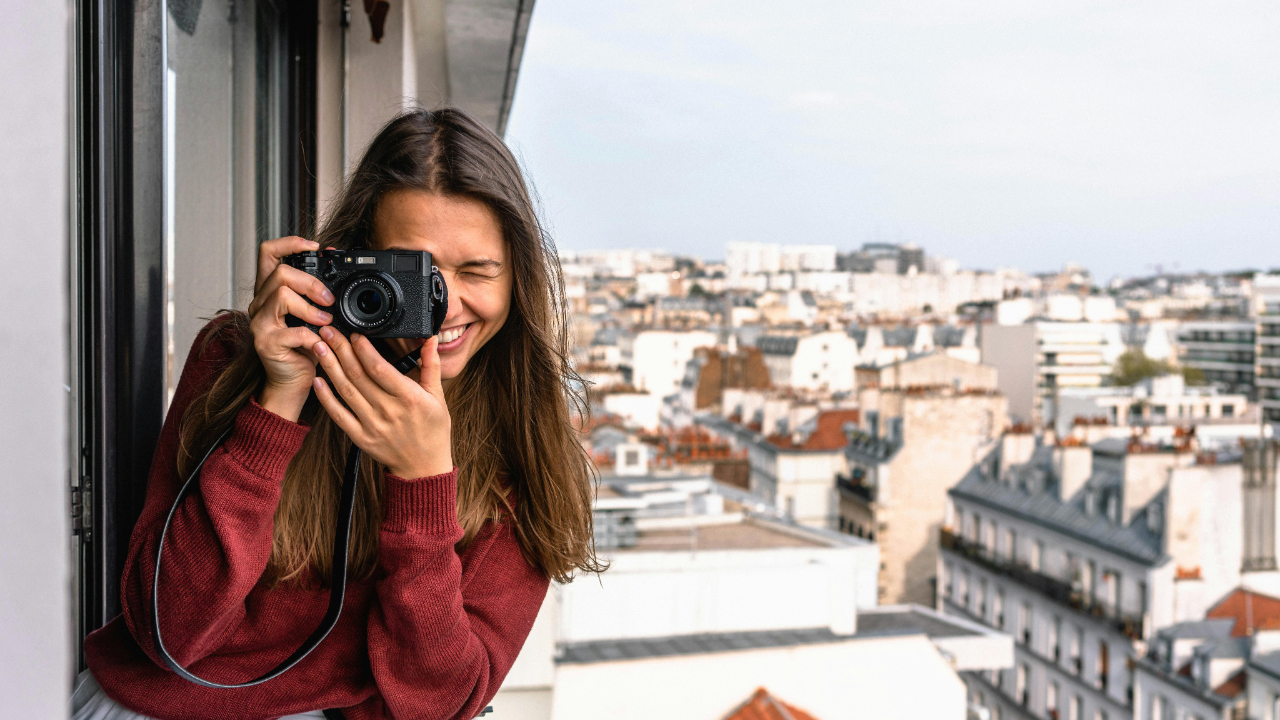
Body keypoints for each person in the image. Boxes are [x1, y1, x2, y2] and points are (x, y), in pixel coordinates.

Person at [75, 107, 601, 720]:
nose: (444, 304)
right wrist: (276, 400)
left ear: (518, 280)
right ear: (352, 260)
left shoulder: (523, 443)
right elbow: (168, 629)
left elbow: (442, 701)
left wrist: (423, 485)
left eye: (478, 272)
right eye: (416, 273)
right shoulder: (234, 358)